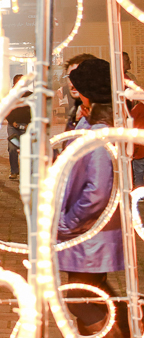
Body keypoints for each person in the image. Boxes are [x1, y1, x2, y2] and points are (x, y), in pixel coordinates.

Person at [59, 58, 126, 337]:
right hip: (90, 231)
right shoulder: (91, 124)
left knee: (79, 297)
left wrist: (67, 223)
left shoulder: (99, 134)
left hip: (89, 231)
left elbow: (97, 192)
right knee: (94, 293)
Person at [5, 74, 31, 180]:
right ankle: (14, 171)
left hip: (26, 126)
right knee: (12, 148)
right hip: (13, 127)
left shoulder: (30, 95)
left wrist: (30, 123)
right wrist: (12, 121)